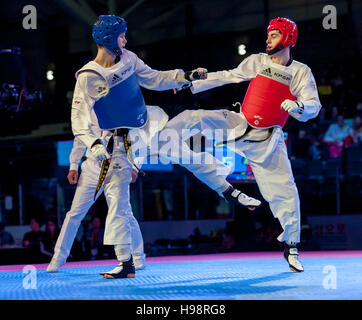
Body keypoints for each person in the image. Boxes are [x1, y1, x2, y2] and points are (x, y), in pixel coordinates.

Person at [71, 15, 261, 279]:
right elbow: (78, 118)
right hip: (118, 146)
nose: (125, 40)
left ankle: (229, 190)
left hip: (148, 126)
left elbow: (155, 79)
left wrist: (184, 76)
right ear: (107, 38)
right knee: (119, 202)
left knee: (187, 132)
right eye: (121, 35)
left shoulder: (128, 58)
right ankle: (125, 262)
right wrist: (93, 146)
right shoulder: (89, 76)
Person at [172, 17, 322, 272]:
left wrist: (298, 106)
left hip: (267, 142)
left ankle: (292, 247)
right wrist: (192, 84)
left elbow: (314, 105)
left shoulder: (300, 72)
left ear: (287, 38)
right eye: (268, 35)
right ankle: (167, 141)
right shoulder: (258, 61)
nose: (267, 40)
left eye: (273, 35)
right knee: (194, 118)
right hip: (239, 125)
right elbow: (229, 76)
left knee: (286, 192)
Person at [47, 136, 146, 272]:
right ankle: (58, 257)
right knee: (74, 214)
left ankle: (138, 257)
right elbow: (81, 137)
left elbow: (140, 136)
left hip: (117, 166)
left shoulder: (121, 115)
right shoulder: (87, 114)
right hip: (92, 168)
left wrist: (135, 167)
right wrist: (73, 166)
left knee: (124, 213)